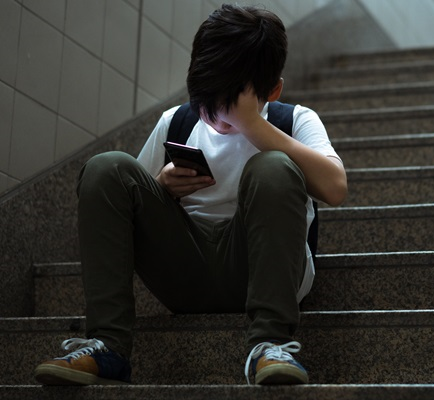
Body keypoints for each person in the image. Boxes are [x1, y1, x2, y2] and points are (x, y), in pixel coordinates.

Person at [33, 3, 347, 386]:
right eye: (207, 104)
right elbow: (119, 206)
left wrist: (253, 126)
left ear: (273, 90)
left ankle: (270, 343)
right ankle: (108, 346)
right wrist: (162, 186)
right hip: (185, 272)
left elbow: (335, 187)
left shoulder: (294, 121)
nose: (216, 117)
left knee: (274, 167)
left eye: (230, 106)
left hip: (263, 270)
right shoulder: (178, 122)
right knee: (106, 167)